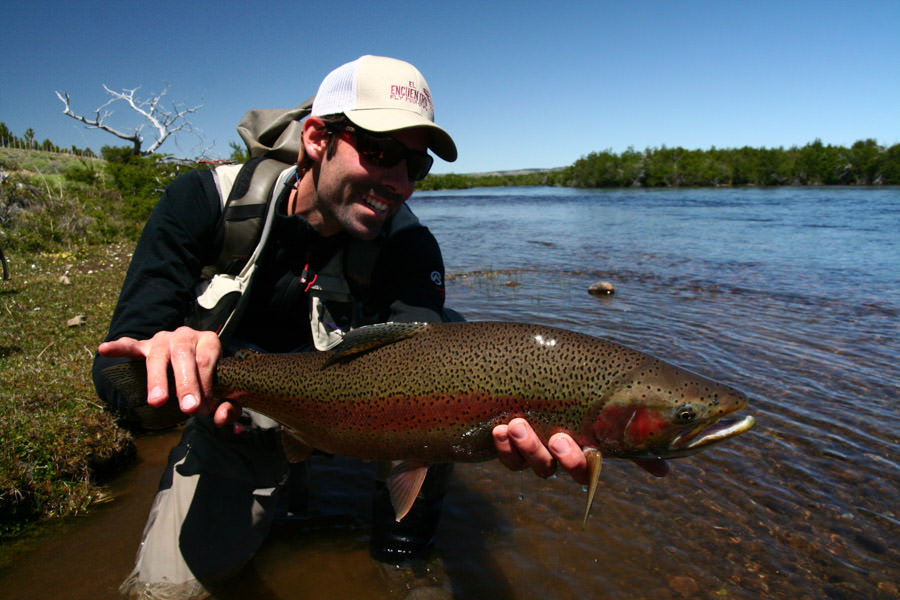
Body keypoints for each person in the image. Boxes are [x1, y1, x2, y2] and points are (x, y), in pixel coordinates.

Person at [93, 55, 589, 599]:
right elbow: (117, 380)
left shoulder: (409, 245)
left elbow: (428, 367)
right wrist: (171, 366)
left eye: (415, 166)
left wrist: (492, 412)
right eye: (380, 152)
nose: (398, 182)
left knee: (448, 373)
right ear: (315, 139)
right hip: (236, 415)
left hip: (361, 415)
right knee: (166, 594)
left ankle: (405, 562)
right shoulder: (204, 202)